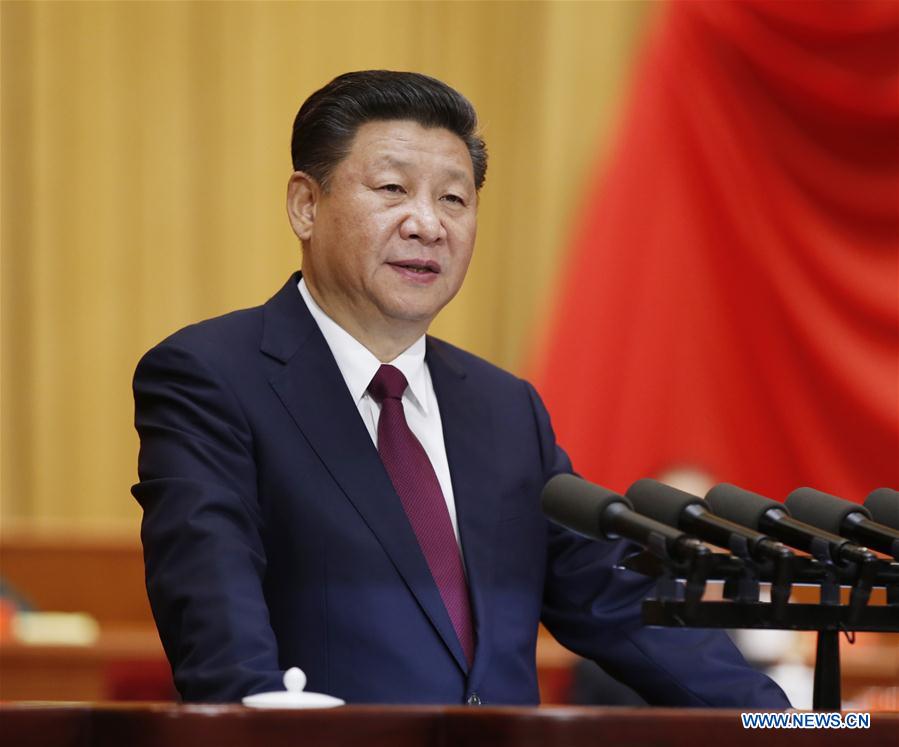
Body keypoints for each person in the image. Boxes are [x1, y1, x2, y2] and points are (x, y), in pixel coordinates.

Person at [132, 70, 789, 707]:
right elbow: (214, 617)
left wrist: (794, 722)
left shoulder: (504, 410)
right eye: (392, 189)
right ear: (306, 204)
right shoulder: (212, 377)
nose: (427, 224)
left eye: (453, 198)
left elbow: (615, 603)